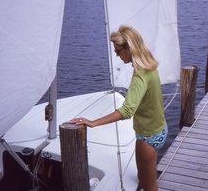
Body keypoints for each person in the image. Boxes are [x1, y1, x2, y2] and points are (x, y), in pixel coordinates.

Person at [69, 25, 168, 191]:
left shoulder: (140, 76)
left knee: (149, 186)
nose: (117, 55)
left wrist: (93, 122)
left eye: (118, 51)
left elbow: (127, 111)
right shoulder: (149, 63)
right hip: (160, 130)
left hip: (147, 139)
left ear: (129, 48)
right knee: (142, 178)